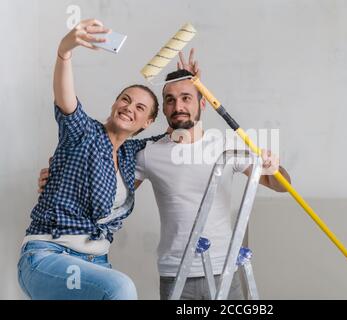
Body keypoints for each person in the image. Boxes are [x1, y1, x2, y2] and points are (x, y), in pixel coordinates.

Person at [38, 50, 291, 300]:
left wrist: (272, 165)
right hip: (175, 274)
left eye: (186, 98)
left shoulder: (226, 144)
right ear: (162, 111)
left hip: (225, 270)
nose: (178, 106)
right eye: (170, 99)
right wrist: (61, 177)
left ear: (203, 103)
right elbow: (109, 188)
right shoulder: (149, 152)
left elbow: (281, 185)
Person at [18, 18, 163, 300]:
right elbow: (67, 101)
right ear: (114, 103)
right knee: (121, 288)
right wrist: (65, 52)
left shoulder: (130, 153)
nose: (128, 107)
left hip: (96, 263)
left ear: (148, 122)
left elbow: (174, 136)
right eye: (124, 99)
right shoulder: (84, 132)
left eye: (139, 107)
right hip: (48, 255)